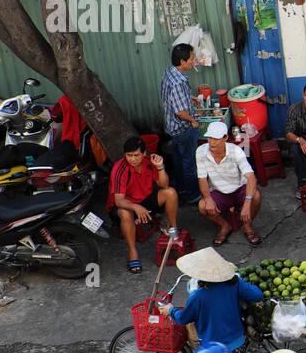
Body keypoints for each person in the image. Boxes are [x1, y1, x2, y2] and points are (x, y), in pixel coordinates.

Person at [169, 247, 263, 353]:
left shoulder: (198, 296)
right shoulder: (234, 283)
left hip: (214, 350)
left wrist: (171, 310)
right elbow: (257, 295)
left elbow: (183, 318)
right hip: (238, 344)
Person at [108, 135, 180, 273]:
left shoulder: (149, 162)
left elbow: (164, 185)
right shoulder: (119, 169)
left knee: (170, 192)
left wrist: (160, 168)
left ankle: (173, 230)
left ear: (144, 154)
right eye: (129, 155)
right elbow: (119, 200)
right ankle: (132, 252)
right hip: (124, 205)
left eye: (136, 155)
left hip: (144, 199)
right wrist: (136, 207)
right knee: (125, 213)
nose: (133, 159)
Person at [196, 121, 262, 245]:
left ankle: (247, 226)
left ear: (225, 138)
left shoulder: (236, 151)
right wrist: (208, 198)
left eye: (216, 138)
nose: (211, 142)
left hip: (239, 188)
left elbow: (251, 177)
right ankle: (225, 226)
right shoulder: (201, 151)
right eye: (209, 138)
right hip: (218, 191)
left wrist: (247, 204)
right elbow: (202, 179)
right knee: (202, 206)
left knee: (256, 197)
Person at [160, 42, 203, 205]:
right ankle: (193, 195)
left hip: (172, 127)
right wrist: (193, 121)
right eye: (191, 59)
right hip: (183, 128)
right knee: (189, 162)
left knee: (179, 160)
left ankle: (183, 190)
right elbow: (180, 112)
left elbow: (172, 98)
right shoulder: (179, 82)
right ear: (183, 62)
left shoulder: (170, 73)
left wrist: (189, 97)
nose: (194, 61)